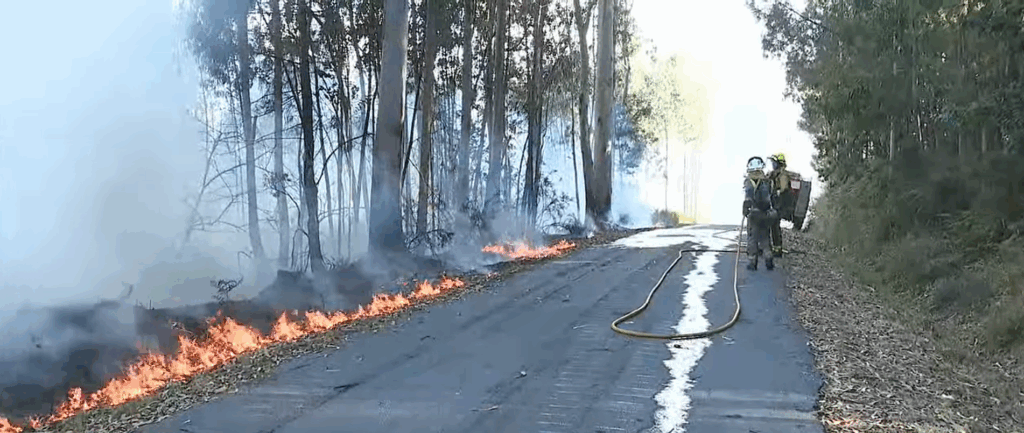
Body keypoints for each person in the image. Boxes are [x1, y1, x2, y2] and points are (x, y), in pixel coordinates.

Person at [742, 156, 776, 271]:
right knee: (765, 237)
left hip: (754, 214)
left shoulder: (749, 181)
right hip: (766, 214)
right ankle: (768, 258)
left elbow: (748, 197)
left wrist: (746, 208)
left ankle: (752, 261)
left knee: (753, 238)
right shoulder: (767, 181)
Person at [766, 153, 790, 257]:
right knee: (771, 226)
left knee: (775, 227)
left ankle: (777, 249)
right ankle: (771, 247)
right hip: (773, 203)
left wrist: (777, 192)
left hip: (778, 204)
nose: (772, 164)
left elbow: (784, 188)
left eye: (774, 163)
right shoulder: (773, 174)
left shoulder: (782, 175)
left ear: (779, 164)